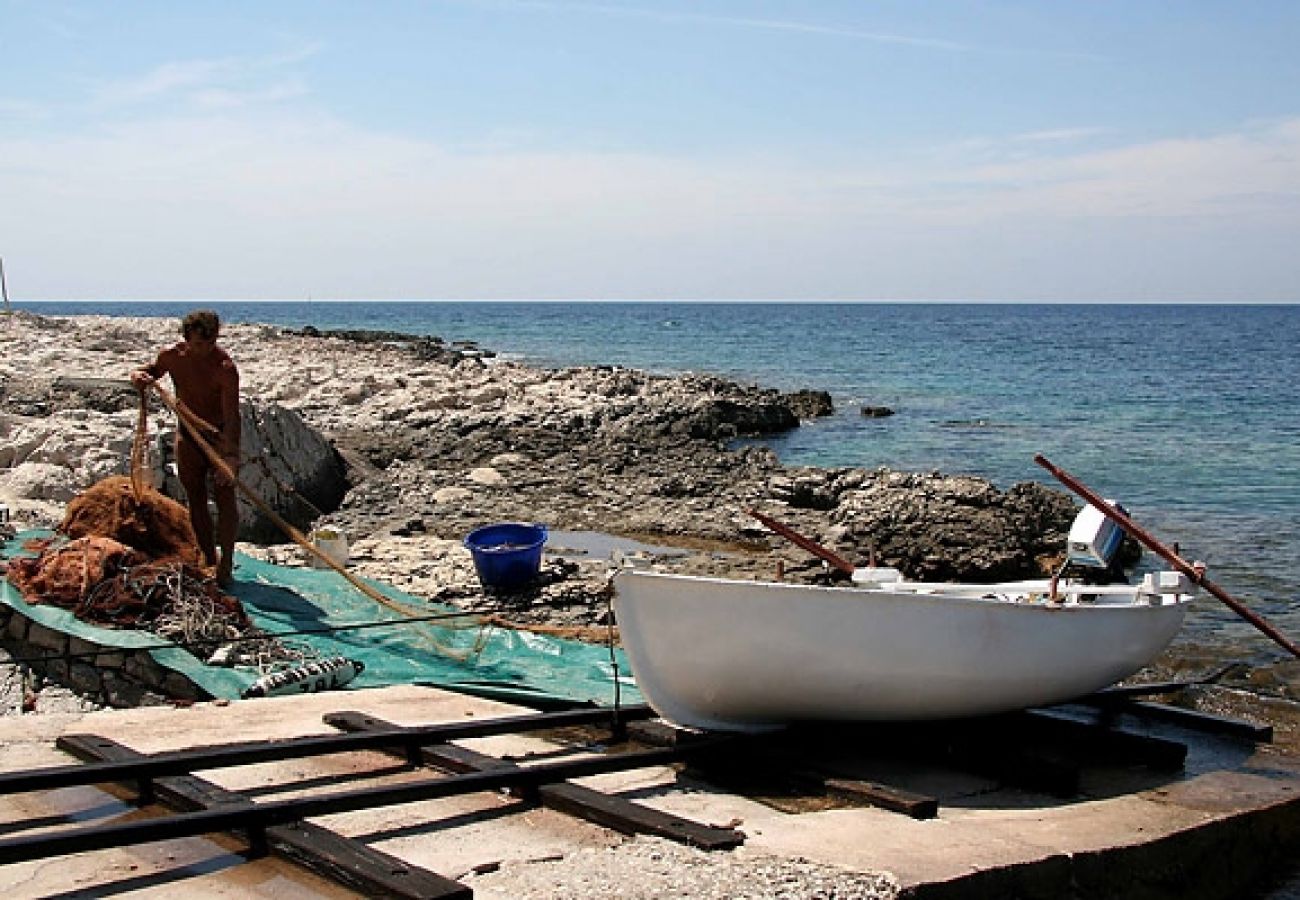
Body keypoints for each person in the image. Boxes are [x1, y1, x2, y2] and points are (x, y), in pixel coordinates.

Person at [130, 310, 242, 585]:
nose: (203, 349)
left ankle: (226, 559)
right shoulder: (171, 356)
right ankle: (207, 557)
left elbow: (232, 416)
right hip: (188, 435)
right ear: (186, 339)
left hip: (218, 438)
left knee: (226, 499)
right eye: (197, 344)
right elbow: (151, 371)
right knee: (195, 498)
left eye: (209, 343)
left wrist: (230, 456)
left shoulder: (225, 369)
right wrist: (139, 375)